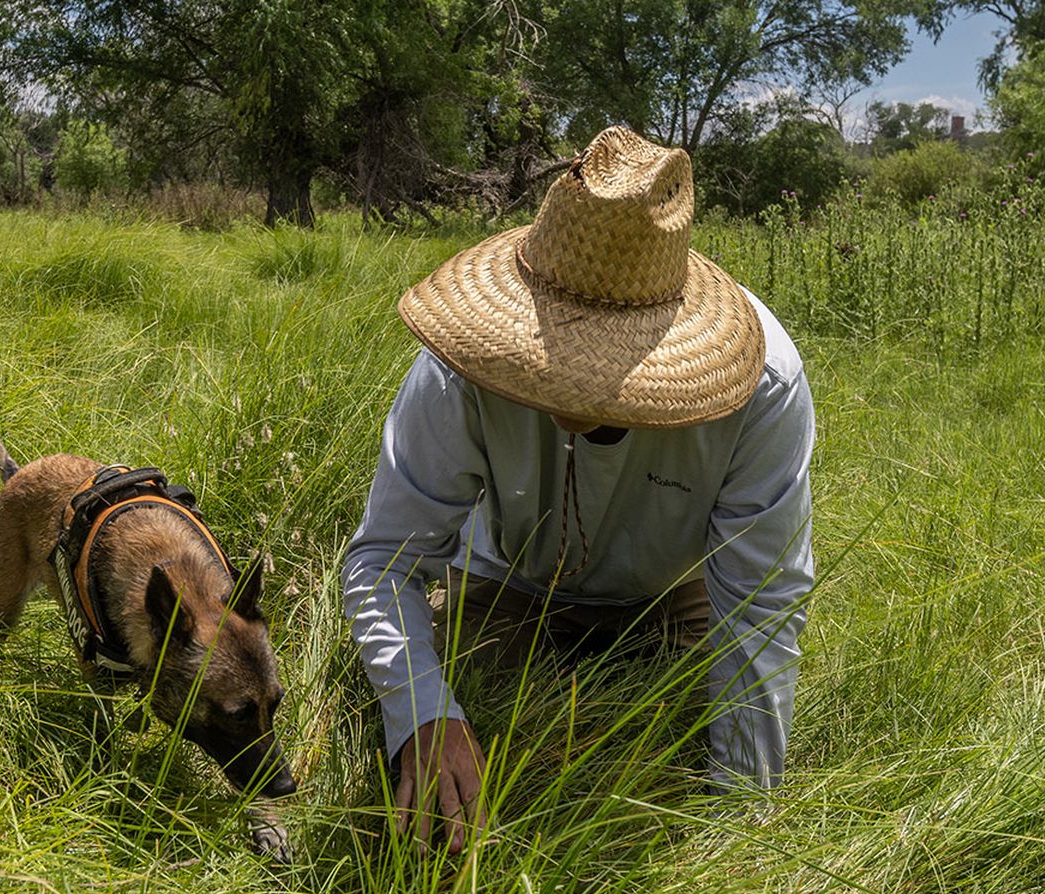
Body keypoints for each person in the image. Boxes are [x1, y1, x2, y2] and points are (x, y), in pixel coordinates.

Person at [342, 126, 814, 854]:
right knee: (470, 748)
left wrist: (739, 827)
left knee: (673, 756)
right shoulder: (458, 370)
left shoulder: (764, 387)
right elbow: (382, 563)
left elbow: (761, 607)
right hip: (510, 586)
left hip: (671, 602)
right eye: (553, 352)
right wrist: (424, 714)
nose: (571, 383)